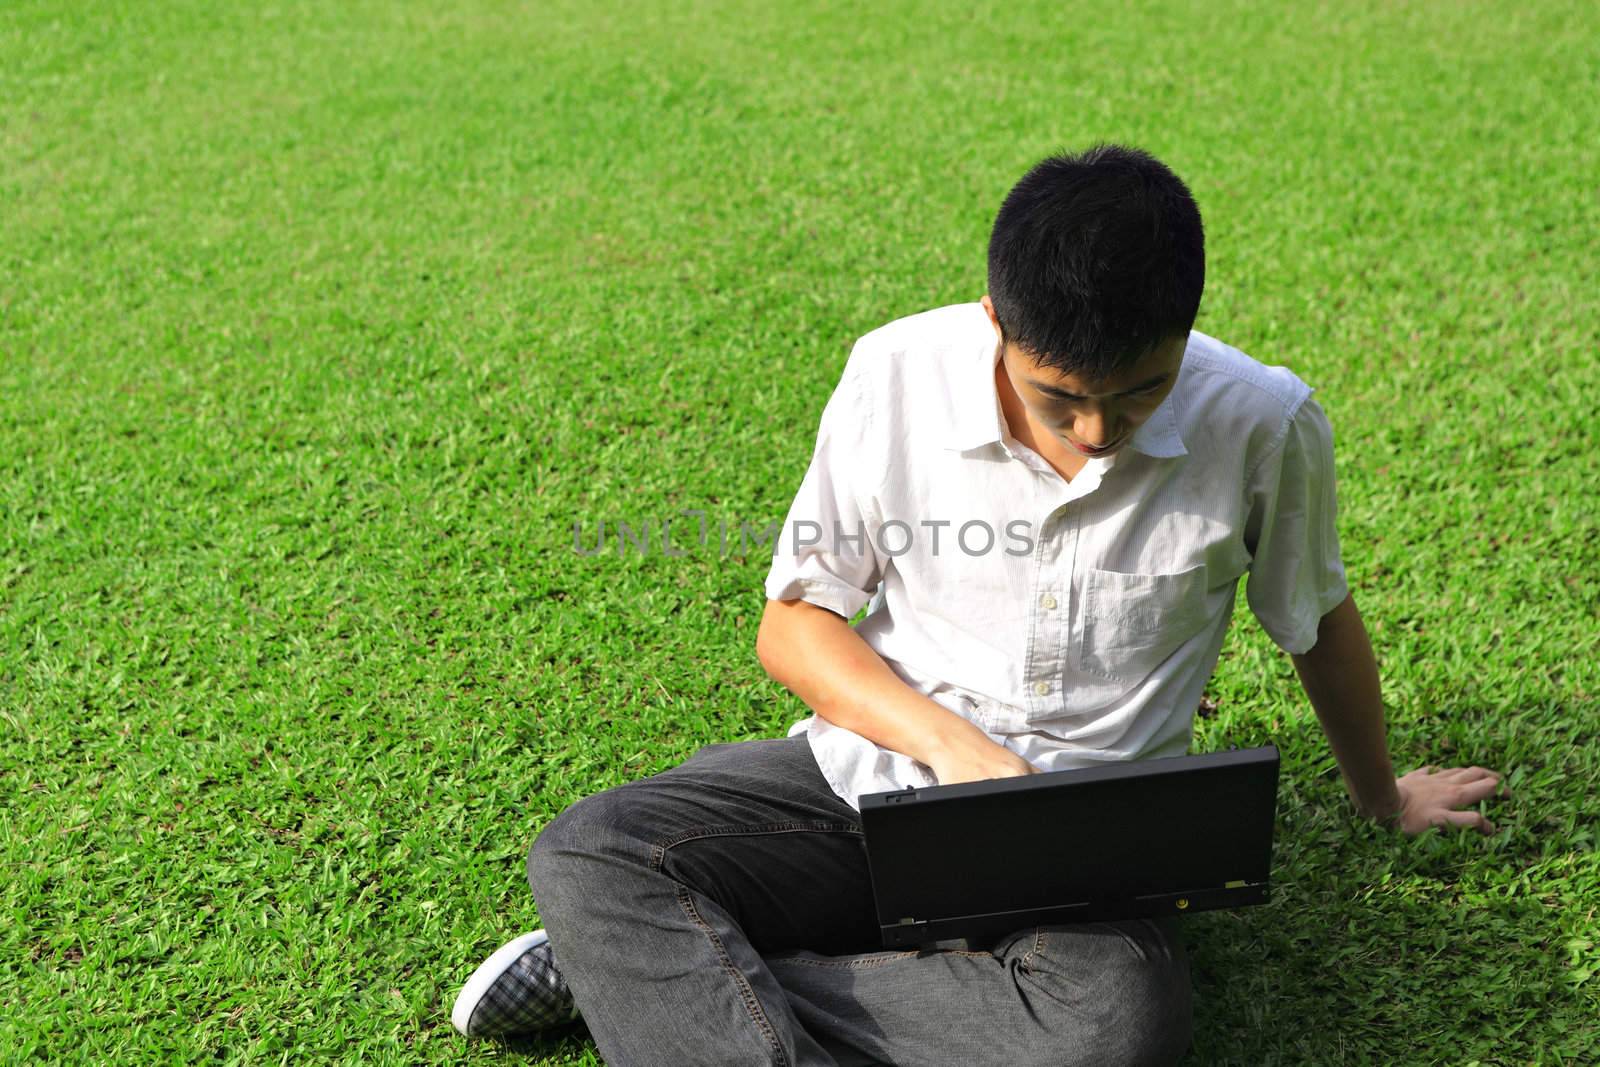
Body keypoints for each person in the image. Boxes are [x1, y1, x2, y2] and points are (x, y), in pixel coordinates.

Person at [448, 143, 1510, 1065]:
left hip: (1090, 853)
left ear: (1187, 328)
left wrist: (1382, 795)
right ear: (996, 319)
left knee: (1115, 1031)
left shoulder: (1263, 421)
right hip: (878, 788)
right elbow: (795, 621)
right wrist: (953, 748)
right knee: (593, 850)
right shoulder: (893, 375)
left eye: (1138, 391)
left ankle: (666, 978)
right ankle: (682, 968)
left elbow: (1315, 619)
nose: (1098, 432)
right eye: (1062, 397)